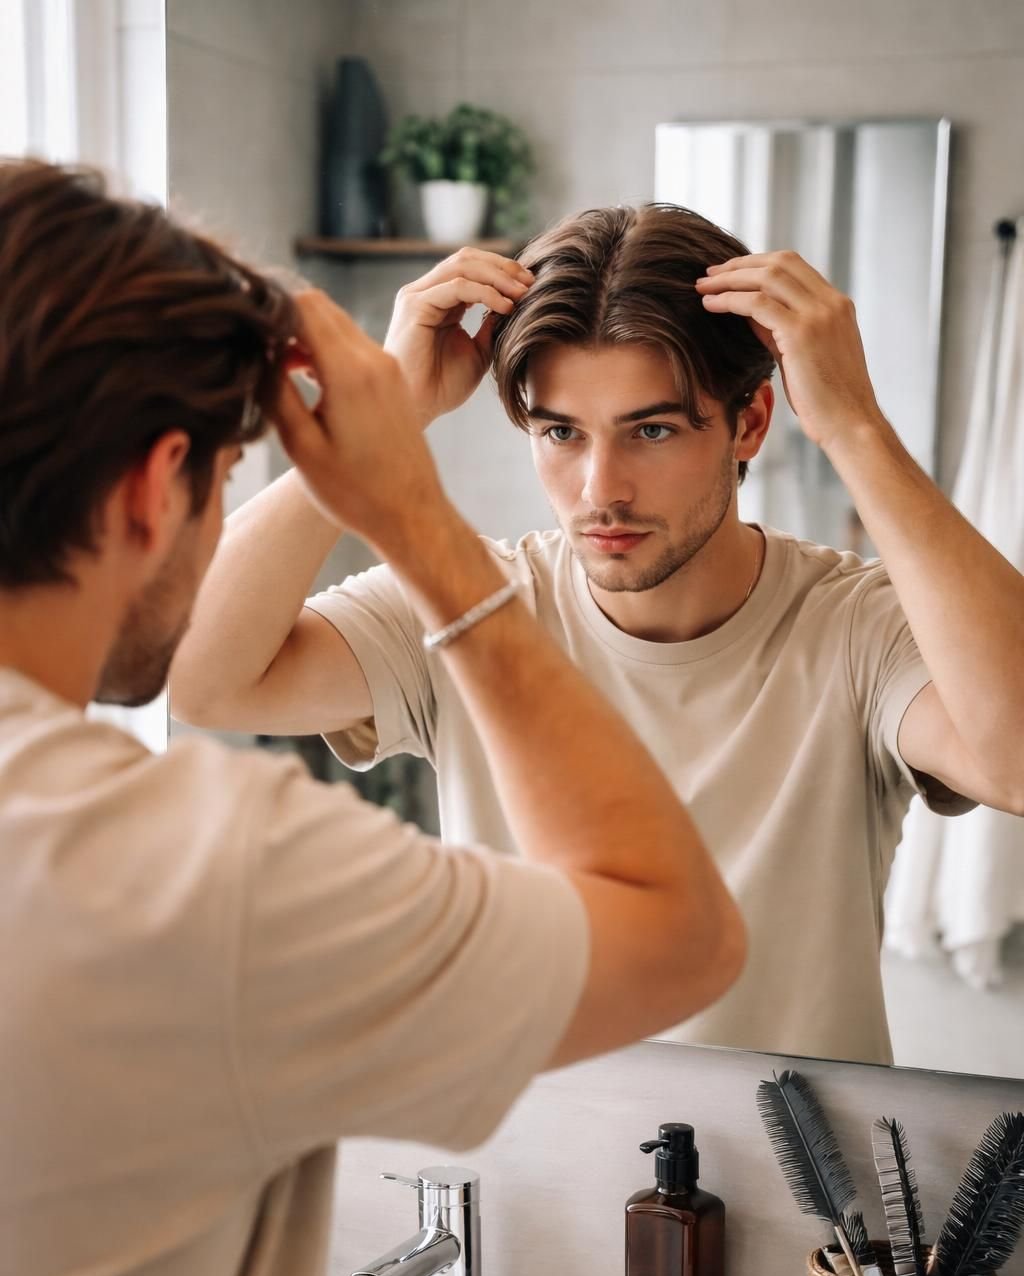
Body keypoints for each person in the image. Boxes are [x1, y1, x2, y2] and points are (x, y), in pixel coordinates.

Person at [0, 162, 745, 1276]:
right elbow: (679, 935)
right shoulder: (193, 871)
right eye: (233, 477)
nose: (601, 485)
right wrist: (411, 512)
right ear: (161, 487)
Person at [171, 203, 1024, 1069]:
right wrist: (371, 420)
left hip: (805, 1190)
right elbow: (202, 678)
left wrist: (855, 427)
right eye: (560, 433)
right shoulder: (468, 601)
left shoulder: (857, 626)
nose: (597, 490)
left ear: (751, 424)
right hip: (522, 1181)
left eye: (651, 430)